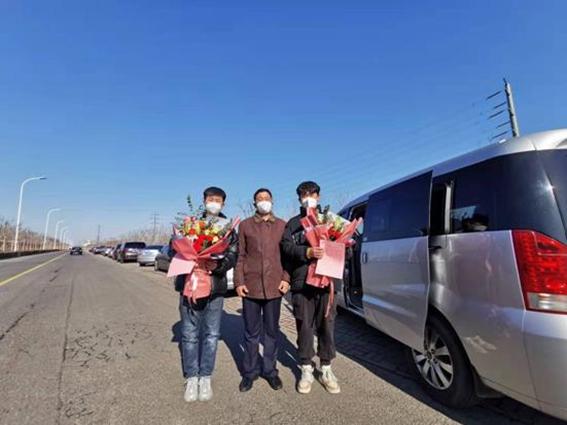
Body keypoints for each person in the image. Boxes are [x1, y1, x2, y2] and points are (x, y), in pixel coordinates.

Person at [175, 187, 238, 403]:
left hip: (215, 287)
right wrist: (190, 259)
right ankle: (192, 377)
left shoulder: (229, 228)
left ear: (223, 203)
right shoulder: (190, 224)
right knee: (189, 334)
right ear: (204, 201)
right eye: (210, 199)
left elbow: (233, 255)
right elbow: (174, 248)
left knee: (212, 334)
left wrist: (218, 265)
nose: (214, 203)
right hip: (190, 285)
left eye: (218, 200)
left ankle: (206, 376)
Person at [281, 181, 340, 395]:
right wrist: (306, 252)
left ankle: (326, 369)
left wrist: (338, 249)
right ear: (299, 198)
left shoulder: (331, 220)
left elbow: (347, 248)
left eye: (312, 194)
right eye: (304, 195)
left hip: (327, 282)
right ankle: (306, 367)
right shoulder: (293, 224)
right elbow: (285, 248)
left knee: (327, 325)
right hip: (302, 283)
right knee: (304, 326)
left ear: (319, 196)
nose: (308, 198)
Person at [234, 188, 290, 392]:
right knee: (251, 332)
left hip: (274, 286)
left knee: (272, 332)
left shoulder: (282, 225)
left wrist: (286, 278)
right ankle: (250, 372)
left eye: (266, 198)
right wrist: (239, 282)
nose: (263, 201)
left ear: (272, 201)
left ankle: (270, 371)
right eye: (259, 199)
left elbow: (287, 256)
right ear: (254, 203)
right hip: (251, 286)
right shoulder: (245, 225)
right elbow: (240, 256)